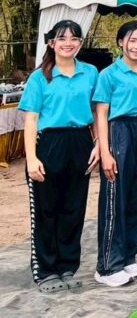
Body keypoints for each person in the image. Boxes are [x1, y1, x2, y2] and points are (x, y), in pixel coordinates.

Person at [19, 20, 99, 293]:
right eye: (62, 38)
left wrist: (98, 145)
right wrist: (31, 158)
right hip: (48, 144)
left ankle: (67, 266)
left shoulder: (90, 73)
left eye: (74, 38)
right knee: (46, 209)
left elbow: (97, 111)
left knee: (73, 208)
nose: (68, 43)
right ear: (51, 43)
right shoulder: (40, 77)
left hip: (80, 142)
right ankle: (46, 270)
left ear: (80, 43)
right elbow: (31, 119)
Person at [93, 21, 137, 287]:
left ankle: (127, 257)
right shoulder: (109, 74)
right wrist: (105, 150)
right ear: (121, 42)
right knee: (116, 198)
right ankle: (107, 266)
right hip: (119, 131)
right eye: (132, 40)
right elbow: (101, 113)